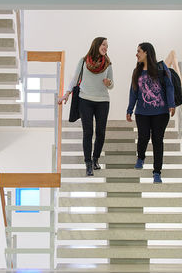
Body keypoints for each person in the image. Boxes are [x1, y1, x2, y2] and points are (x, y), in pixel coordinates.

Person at [58, 37, 114, 176]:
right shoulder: (83, 61)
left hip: (103, 101)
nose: (106, 47)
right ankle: (88, 163)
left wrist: (109, 83)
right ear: (96, 45)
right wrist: (66, 94)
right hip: (85, 100)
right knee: (88, 132)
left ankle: (95, 159)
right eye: (103, 45)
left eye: (107, 46)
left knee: (100, 133)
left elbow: (112, 84)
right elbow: (75, 78)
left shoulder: (108, 63)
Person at [126, 42, 175, 183]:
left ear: (147, 52)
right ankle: (140, 157)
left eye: (139, 51)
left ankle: (157, 172)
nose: (137, 54)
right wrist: (130, 109)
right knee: (143, 136)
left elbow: (170, 86)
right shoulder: (137, 72)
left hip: (161, 112)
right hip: (142, 112)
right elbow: (133, 92)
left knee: (157, 141)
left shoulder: (161, 67)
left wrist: (171, 104)